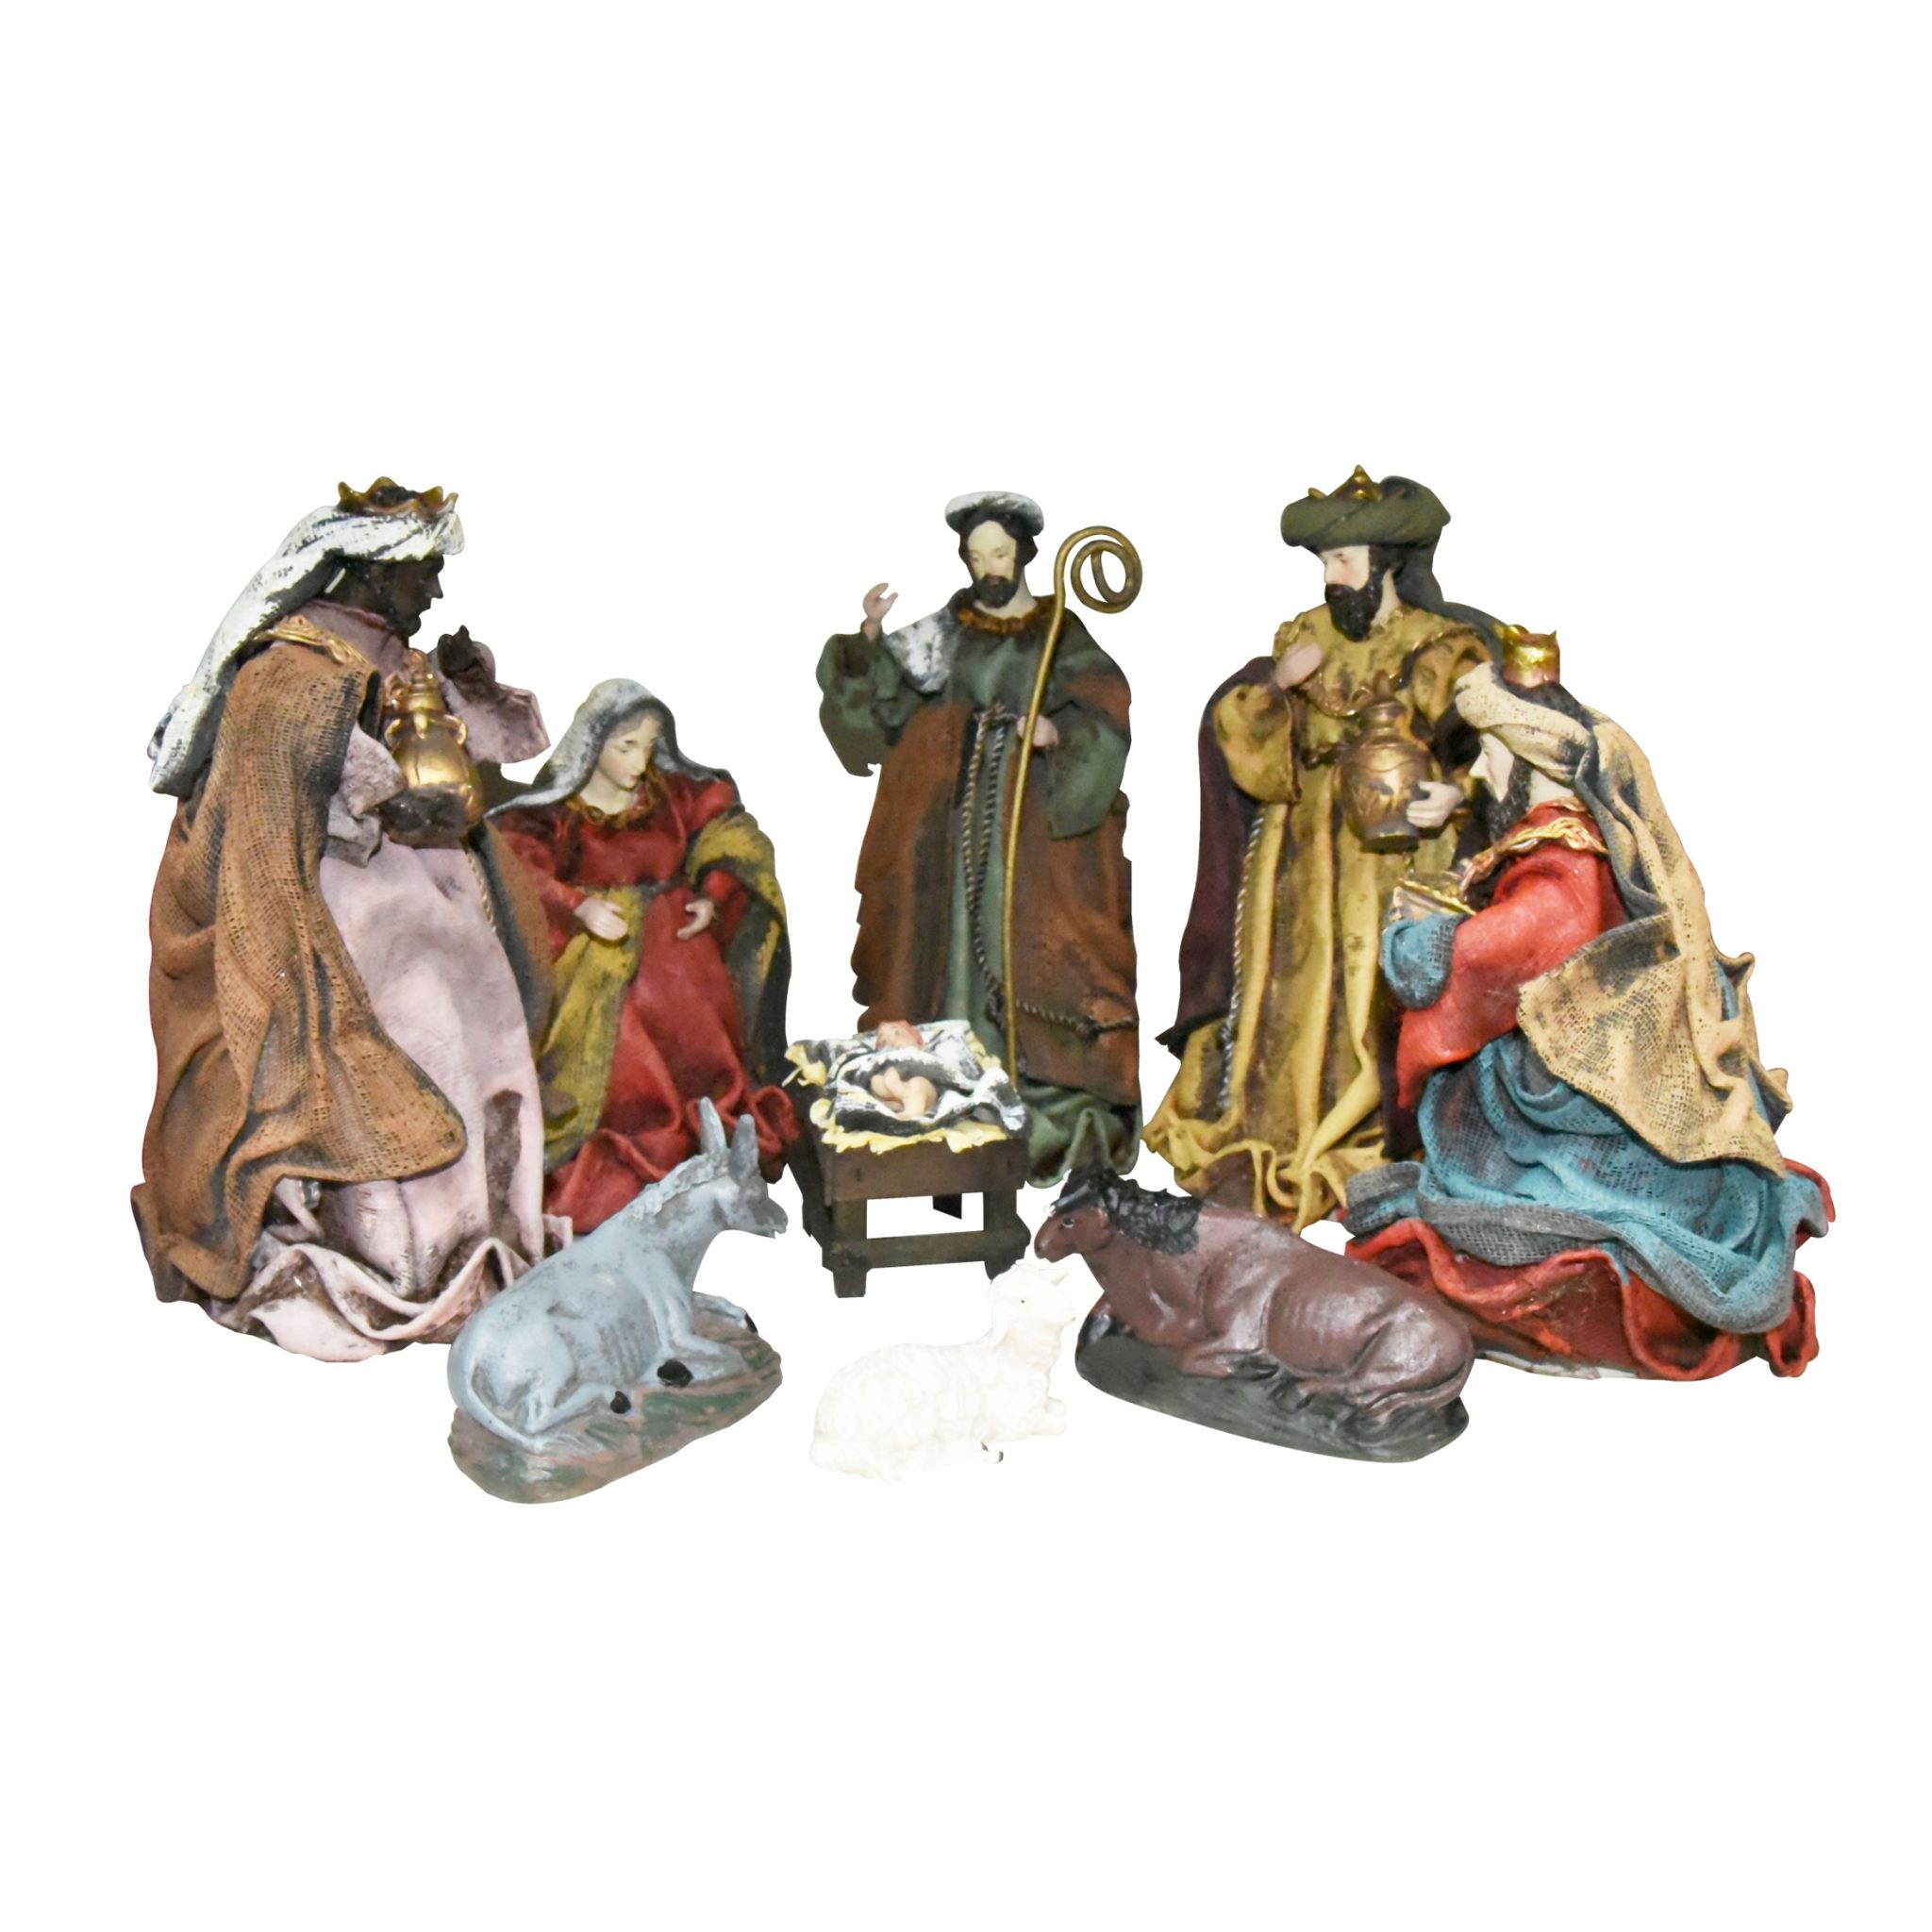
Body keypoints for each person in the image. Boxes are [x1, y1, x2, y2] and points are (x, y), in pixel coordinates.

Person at [135, 479, 557, 1360]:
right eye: (421, 572)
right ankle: (397, 1253)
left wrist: (459, 692)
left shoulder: (392, 655)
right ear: (370, 571)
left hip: (430, 884)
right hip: (330, 901)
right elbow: (267, 818)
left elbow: (480, 749)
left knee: (484, 1001)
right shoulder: (289, 671)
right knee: (415, 1009)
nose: (433, 590)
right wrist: (379, 793)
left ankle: (479, 1238)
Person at [1345, 641, 1829, 1378]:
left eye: (1489, 756)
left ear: (1524, 759)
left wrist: (1424, 944)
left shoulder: (1566, 857)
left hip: (1574, 1087)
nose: (1480, 775)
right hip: (1590, 1048)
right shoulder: (1572, 835)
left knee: (1481, 1124)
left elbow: (1508, 948)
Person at [1145, 467, 1496, 1226]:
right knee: (1293, 991)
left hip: (1394, 853)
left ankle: (1378, 1133)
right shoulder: (1303, 636)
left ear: (1386, 563)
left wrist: (1458, 794)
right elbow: (1243, 739)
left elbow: (1493, 745)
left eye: (1344, 561)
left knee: (1375, 985)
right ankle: (1287, 1124)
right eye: (1327, 564)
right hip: (1300, 849)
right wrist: (1277, 684)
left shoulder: (1441, 648)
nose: (1333, 578)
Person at [816, 491, 1138, 1184]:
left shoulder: (1060, 632)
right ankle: (948, 1076)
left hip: (1033, 832)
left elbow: (1104, 710)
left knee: (1033, 941)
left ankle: (1032, 1084)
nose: (989, 566)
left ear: (1023, 554)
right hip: (950, 827)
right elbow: (882, 713)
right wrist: (870, 638)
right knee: (947, 945)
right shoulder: (945, 633)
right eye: (977, 555)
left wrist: (1057, 733)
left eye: (1000, 552)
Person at [493, 679, 794, 1231]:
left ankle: (698, 1144)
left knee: (699, 1053)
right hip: (598, 966)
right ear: (592, 744)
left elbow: (730, 835)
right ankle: (628, 1152)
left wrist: (713, 893)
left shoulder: (671, 797)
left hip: (681, 960)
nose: (639, 762)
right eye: (626, 747)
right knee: (625, 1066)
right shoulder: (557, 814)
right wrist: (578, 906)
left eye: (650, 747)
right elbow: (518, 867)